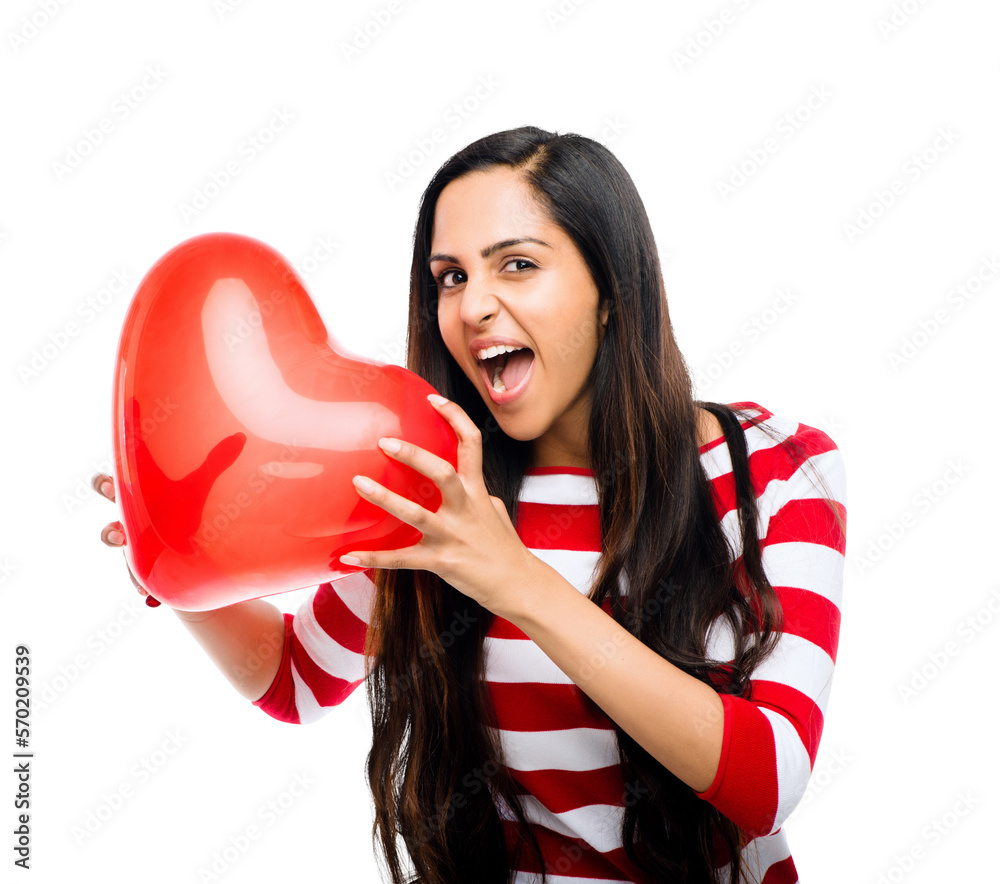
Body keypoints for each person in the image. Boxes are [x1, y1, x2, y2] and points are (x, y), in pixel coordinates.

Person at [95, 125, 847, 884]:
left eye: (516, 265)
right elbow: (296, 679)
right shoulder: (434, 482)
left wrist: (514, 581)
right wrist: (169, 554)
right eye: (450, 277)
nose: (473, 306)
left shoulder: (769, 468)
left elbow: (768, 781)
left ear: (613, 290)